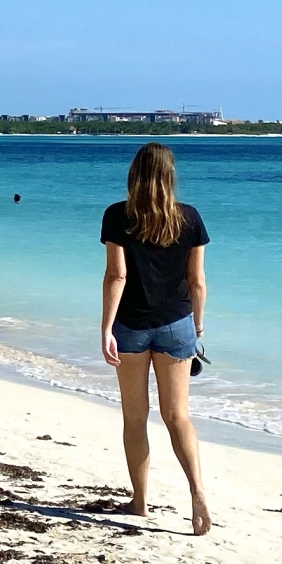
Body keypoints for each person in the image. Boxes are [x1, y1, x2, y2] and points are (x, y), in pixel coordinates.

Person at [100, 142, 213, 536]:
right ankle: (197, 493)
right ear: (170, 176)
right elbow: (197, 282)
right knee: (178, 415)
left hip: (131, 325)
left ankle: (140, 502)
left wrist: (105, 328)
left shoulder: (118, 215)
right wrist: (197, 327)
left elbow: (117, 276)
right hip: (177, 324)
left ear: (135, 174)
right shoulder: (190, 218)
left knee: (136, 415)